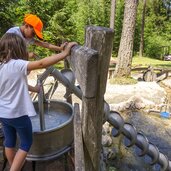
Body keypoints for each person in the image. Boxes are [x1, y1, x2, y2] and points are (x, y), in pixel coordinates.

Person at [0, 33, 77, 171]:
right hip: (18, 114)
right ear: (18, 49)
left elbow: (16, 83)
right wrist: (64, 53)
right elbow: (42, 63)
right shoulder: (17, 64)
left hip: (3, 114)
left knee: (10, 142)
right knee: (26, 142)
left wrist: (35, 89)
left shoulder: (2, 66)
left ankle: (14, 165)